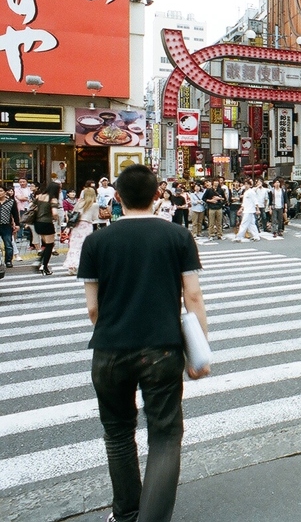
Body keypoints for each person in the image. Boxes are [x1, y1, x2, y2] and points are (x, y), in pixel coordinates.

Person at [79, 164, 209, 522]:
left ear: (117, 197)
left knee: (118, 434)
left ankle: (126, 513)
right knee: (165, 436)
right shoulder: (178, 237)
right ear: (157, 195)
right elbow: (193, 297)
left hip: (109, 351)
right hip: (161, 349)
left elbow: (93, 309)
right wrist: (199, 351)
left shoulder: (96, 241)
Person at [65, 186, 100, 275]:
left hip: (76, 225)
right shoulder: (95, 205)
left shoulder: (79, 203)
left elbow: (73, 214)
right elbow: (95, 217)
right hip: (87, 225)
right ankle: (81, 265)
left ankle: (72, 265)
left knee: (74, 245)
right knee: (84, 246)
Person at [33, 181, 60, 275]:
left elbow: (33, 207)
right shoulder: (53, 199)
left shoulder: (40, 196)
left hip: (37, 222)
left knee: (46, 244)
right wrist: (56, 219)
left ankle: (39, 261)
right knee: (50, 245)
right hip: (47, 223)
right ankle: (44, 267)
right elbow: (55, 213)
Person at [0, 187, 17, 267]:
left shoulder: (11, 202)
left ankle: (8, 261)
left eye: (1, 191)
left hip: (6, 225)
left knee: (8, 244)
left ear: (5, 192)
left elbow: (15, 214)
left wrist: (17, 224)